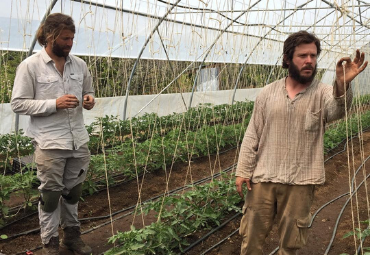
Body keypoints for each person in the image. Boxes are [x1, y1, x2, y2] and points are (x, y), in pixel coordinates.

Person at [235, 30, 368, 255]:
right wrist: (242, 170)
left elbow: (338, 110)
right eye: (303, 56)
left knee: (290, 245)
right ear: (288, 59)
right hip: (263, 179)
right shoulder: (267, 93)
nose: (309, 61)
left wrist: (342, 85)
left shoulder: (323, 93)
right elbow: (252, 134)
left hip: (301, 181)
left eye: (313, 56)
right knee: (251, 241)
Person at [11, 13, 95, 255]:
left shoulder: (79, 65)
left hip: (78, 140)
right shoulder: (30, 66)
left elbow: (88, 92)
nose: (69, 43)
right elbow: (18, 104)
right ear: (50, 37)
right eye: (65, 39)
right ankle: (50, 244)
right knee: (50, 196)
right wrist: (53, 103)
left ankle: (72, 236)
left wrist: (89, 100)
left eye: (72, 38)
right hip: (49, 143)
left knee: (73, 192)